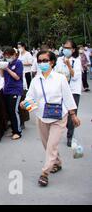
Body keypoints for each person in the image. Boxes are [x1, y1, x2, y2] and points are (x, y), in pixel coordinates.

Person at [21, 50, 81, 187]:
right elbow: (30, 97)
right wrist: (25, 103)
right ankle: (57, 163)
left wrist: (73, 115)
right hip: (41, 116)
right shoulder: (36, 80)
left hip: (59, 116)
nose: (42, 63)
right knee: (47, 144)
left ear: (52, 62)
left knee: (51, 145)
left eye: (45, 60)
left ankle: (45, 173)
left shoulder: (60, 78)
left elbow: (68, 97)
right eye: (40, 61)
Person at [54, 40, 82, 147]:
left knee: (72, 114)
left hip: (73, 90)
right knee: (62, 112)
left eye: (68, 48)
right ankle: (66, 127)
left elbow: (76, 77)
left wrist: (69, 66)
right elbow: (56, 72)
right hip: (61, 89)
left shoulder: (76, 61)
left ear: (73, 50)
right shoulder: (60, 59)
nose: (66, 49)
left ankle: (70, 136)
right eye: (64, 47)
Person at [0, 47, 24, 140]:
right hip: (7, 89)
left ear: (14, 55)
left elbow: (17, 77)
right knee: (9, 111)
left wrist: (7, 69)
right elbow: (2, 75)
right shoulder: (8, 63)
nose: (8, 57)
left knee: (14, 110)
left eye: (9, 56)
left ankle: (18, 132)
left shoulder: (18, 63)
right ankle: (13, 130)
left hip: (15, 90)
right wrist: (2, 68)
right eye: (6, 56)